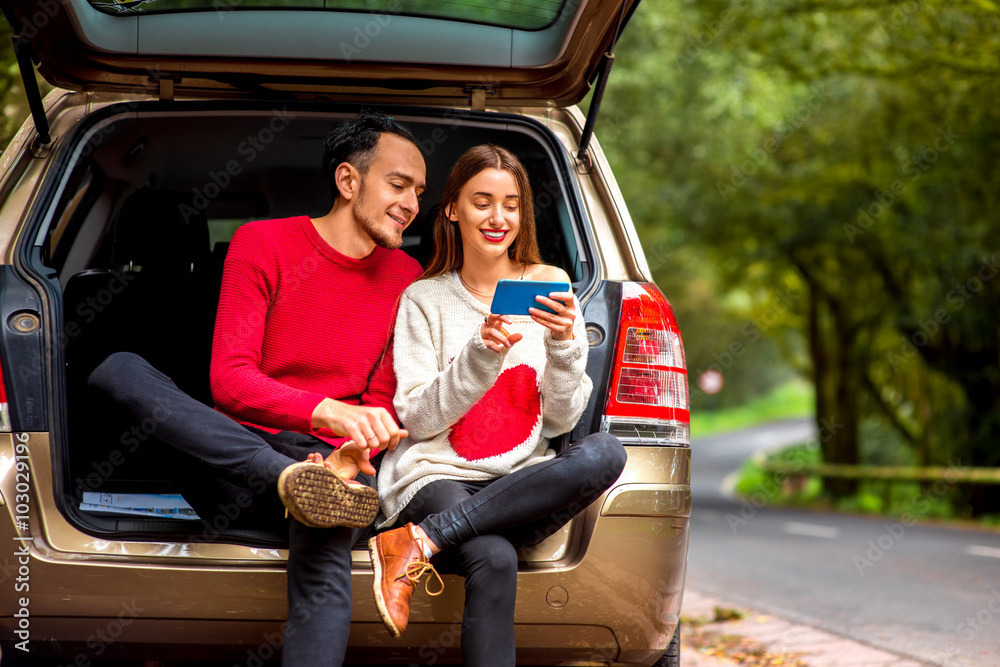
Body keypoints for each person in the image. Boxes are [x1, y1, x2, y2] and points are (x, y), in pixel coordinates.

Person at [87, 110, 426, 665]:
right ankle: (291, 481)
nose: (412, 203)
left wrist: (355, 444)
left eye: (419, 190)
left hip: (333, 468)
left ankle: (308, 485)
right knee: (119, 368)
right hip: (237, 461)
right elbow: (230, 382)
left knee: (326, 536)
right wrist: (327, 414)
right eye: (398, 184)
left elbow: (382, 394)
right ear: (347, 181)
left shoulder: (407, 276)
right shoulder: (261, 244)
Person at [367, 144, 627, 665]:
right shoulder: (424, 298)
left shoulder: (550, 285)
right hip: (435, 475)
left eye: (511, 204)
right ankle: (424, 534)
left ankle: (417, 543)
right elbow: (417, 418)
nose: (498, 217)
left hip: (517, 478)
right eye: (482, 201)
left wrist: (563, 346)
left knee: (606, 453)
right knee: (493, 555)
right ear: (452, 209)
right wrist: (481, 354)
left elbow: (559, 419)